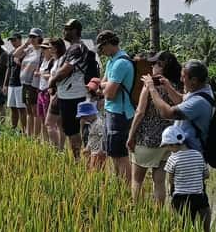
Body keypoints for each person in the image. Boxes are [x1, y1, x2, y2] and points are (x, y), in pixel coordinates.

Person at [127, 51, 182, 204]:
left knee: (137, 179)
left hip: (147, 139)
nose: (151, 67)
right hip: (167, 141)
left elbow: (139, 112)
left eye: (155, 64)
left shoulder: (150, 85)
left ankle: (136, 211)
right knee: (159, 182)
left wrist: (131, 136)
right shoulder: (177, 85)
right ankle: (157, 216)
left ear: (163, 67)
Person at [142, 60, 213, 153]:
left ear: (194, 80)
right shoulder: (201, 91)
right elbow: (182, 101)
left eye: (183, 77)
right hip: (185, 152)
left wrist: (151, 88)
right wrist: (167, 85)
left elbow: (167, 113)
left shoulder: (199, 101)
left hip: (191, 156)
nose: (181, 79)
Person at [48, 18, 91, 160]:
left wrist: (52, 81)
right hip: (68, 94)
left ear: (74, 31)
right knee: (70, 129)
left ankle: (77, 159)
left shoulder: (76, 48)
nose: (64, 31)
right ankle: (78, 157)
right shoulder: (74, 47)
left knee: (72, 130)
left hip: (72, 95)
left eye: (66, 29)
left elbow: (66, 70)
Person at [96, 30, 134, 182]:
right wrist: (105, 85)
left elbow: (109, 93)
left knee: (121, 155)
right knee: (112, 153)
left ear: (109, 44)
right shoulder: (112, 61)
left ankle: (125, 189)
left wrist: (104, 86)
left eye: (102, 47)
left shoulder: (121, 63)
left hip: (120, 114)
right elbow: (101, 86)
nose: (101, 51)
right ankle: (117, 187)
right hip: (111, 112)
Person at [161, 125, 211, 231]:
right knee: (205, 211)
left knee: (181, 224)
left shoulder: (172, 159)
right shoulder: (198, 155)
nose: (168, 149)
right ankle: (207, 229)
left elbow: (170, 180)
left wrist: (171, 188)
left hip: (180, 198)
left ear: (173, 145)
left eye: (167, 147)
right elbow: (206, 175)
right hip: (198, 197)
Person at [14, 28, 44, 138]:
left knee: (35, 110)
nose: (31, 39)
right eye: (30, 36)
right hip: (24, 82)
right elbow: (16, 54)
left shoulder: (42, 50)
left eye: (34, 37)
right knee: (28, 110)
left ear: (40, 38)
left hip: (34, 83)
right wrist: (25, 44)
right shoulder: (29, 49)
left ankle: (36, 136)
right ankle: (28, 133)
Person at [42, 37, 67, 149]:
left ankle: (56, 147)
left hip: (57, 94)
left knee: (49, 123)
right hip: (57, 94)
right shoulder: (56, 60)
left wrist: (53, 89)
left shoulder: (61, 60)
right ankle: (60, 148)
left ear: (56, 48)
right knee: (60, 124)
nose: (49, 50)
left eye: (51, 47)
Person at [3, 33, 27, 132]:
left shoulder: (26, 53)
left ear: (20, 40)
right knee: (12, 107)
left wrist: (19, 62)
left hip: (21, 83)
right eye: (12, 40)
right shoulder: (11, 54)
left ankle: (24, 130)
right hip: (12, 83)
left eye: (15, 40)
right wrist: (5, 84)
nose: (13, 42)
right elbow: (8, 69)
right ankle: (14, 128)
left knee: (21, 108)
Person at [77, 100, 107, 171]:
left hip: (98, 152)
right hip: (93, 151)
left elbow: (104, 138)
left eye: (85, 117)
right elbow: (91, 139)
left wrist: (101, 150)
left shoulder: (99, 124)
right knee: (91, 170)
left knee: (96, 171)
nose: (84, 119)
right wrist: (87, 148)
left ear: (91, 114)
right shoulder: (91, 124)